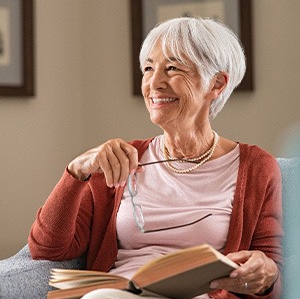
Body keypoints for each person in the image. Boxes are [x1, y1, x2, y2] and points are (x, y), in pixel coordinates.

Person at [28, 17, 283, 299]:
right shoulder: (119, 159)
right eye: (148, 68)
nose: (154, 83)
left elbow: (272, 276)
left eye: (172, 68)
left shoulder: (256, 167)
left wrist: (266, 274)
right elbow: (47, 249)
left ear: (217, 84)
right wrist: (76, 172)